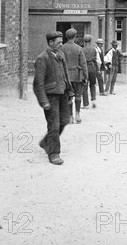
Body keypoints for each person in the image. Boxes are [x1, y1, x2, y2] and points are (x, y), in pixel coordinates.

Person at [33, 31, 74, 165]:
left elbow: (65, 74)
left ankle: (46, 142)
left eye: (61, 42)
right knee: (54, 125)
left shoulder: (60, 54)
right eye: (58, 42)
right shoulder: (42, 58)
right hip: (50, 97)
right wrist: (43, 101)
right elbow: (38, 83)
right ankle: (54, 153)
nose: (61, 45)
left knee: (65, 120)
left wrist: (70, 91)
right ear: (50, 43)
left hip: (62, 94)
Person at [60, 29, 87, 123]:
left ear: (66, 37)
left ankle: (70, 117)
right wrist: (86, 76)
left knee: (68, 97)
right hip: (77, 75)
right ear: (75, 37)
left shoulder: (61, 48)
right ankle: (78, 114)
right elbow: (83, 64)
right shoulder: (79, 48)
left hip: (66, 77)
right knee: (78, 95)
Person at [81, 35, 100, 109]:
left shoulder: (82, 50)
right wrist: (97, 69)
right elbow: (96, 60)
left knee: (85, 86)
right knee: (93, 85)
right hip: (93, 68)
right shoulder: (94, 49)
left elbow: (81, 61)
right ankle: (94, 100)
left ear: (84, 41)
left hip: (85, 68)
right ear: (90, 41)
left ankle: (86, 104)